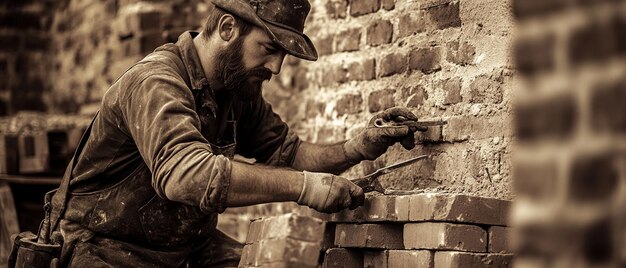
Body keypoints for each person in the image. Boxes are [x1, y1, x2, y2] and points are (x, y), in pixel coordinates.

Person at [44, 0, 425, 266]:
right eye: (269, 48)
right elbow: (185, 176)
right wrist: (305, 187)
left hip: (181, 250)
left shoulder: (235, 89)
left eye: (283, 55)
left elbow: (290, 153)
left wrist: (358, 146)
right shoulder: (156, 81)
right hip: (101, 250)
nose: (276, 67)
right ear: (227, 28)